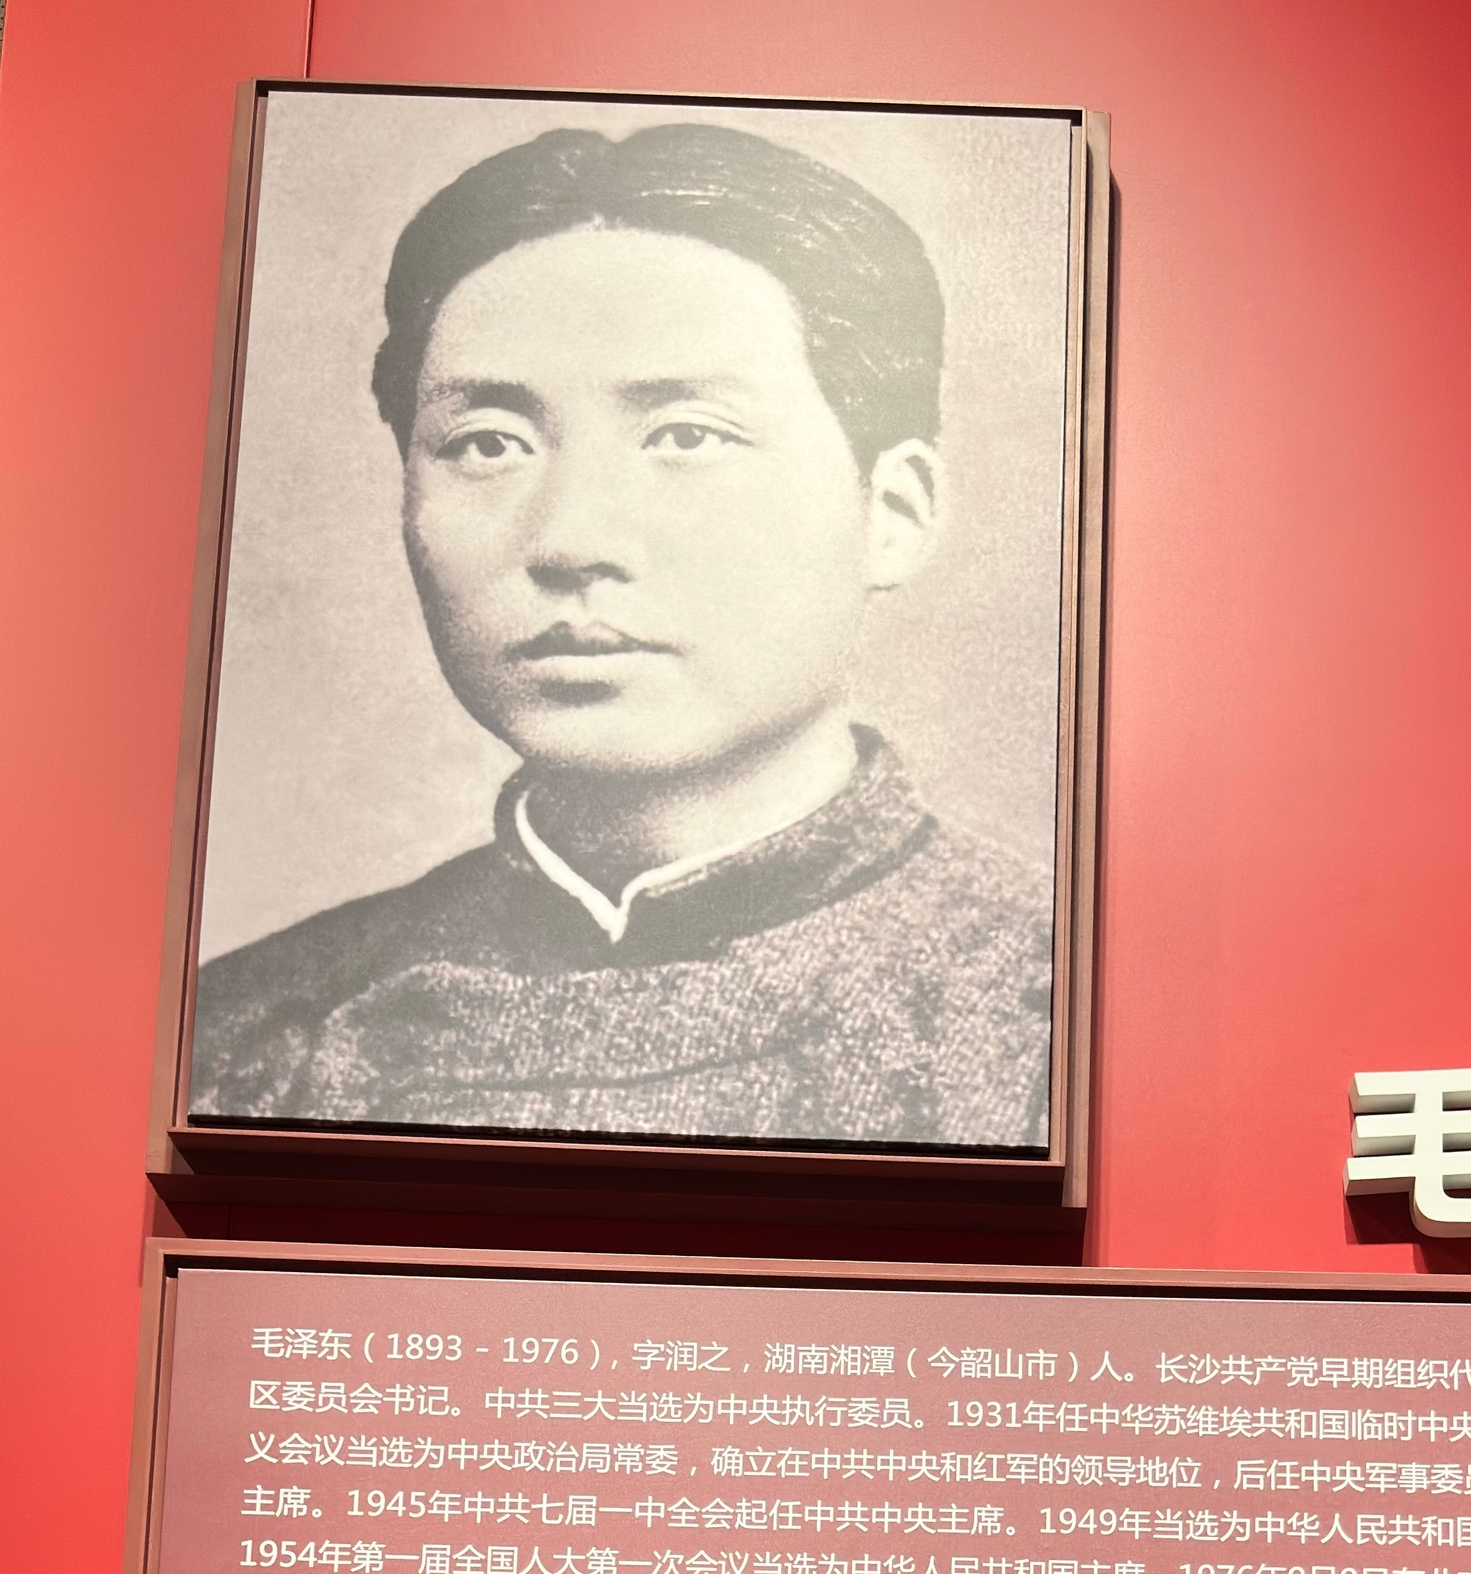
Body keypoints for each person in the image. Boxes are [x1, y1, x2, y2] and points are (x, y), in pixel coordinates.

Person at [188, 118, 1052, 1154]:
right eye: (487, 443)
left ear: (892, 510)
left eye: (687, 437)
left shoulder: (1058, 1011)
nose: (570, 539)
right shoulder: (241, 1035)